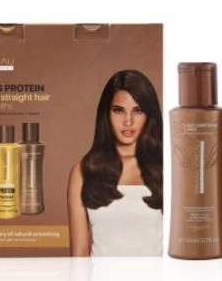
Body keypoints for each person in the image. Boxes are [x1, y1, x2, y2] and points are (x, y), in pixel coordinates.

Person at [68, 70, 163, 256]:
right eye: (119, 110)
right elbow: (79, 255)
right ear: (106, 113)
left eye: (138, 110)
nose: (128, 121)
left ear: (149, 114)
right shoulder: (83, 172)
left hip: (156, 276)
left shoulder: (167, 169)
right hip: (100, 277)